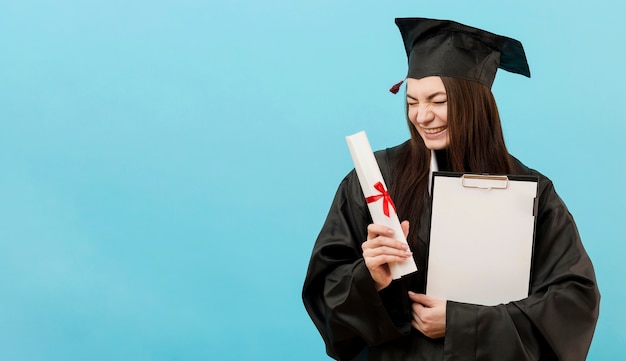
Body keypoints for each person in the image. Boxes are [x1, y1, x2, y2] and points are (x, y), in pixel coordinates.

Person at [302, 17, 600, 361]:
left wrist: (463, 324)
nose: (422, 116)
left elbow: (573, 304)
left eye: (437, 101)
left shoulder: (531, 192)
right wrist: (370, 279)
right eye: (412, 102)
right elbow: (326, 296)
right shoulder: (375, 180)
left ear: (473, 102)